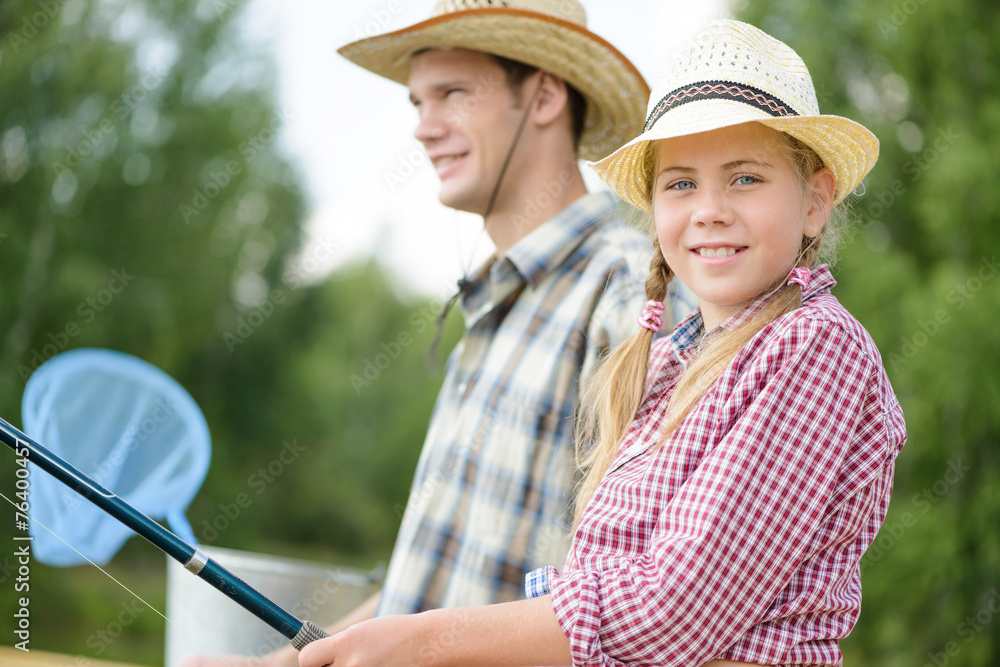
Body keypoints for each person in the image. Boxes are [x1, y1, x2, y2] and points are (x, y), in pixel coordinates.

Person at [296, 19, 908, 667]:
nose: (709, 209)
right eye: (680, 183)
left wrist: (427, 640)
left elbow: (672, 609)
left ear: (815, 202)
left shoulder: (812, 344)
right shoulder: (672, 357)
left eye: (745, 178)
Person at [182, 1, 694, 665]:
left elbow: (651, 607)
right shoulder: (489, 315)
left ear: (542, 96)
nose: (424, 128)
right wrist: (278, 663)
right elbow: (421, 589)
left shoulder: (632, 300)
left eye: (451, 93)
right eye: (416, 102)